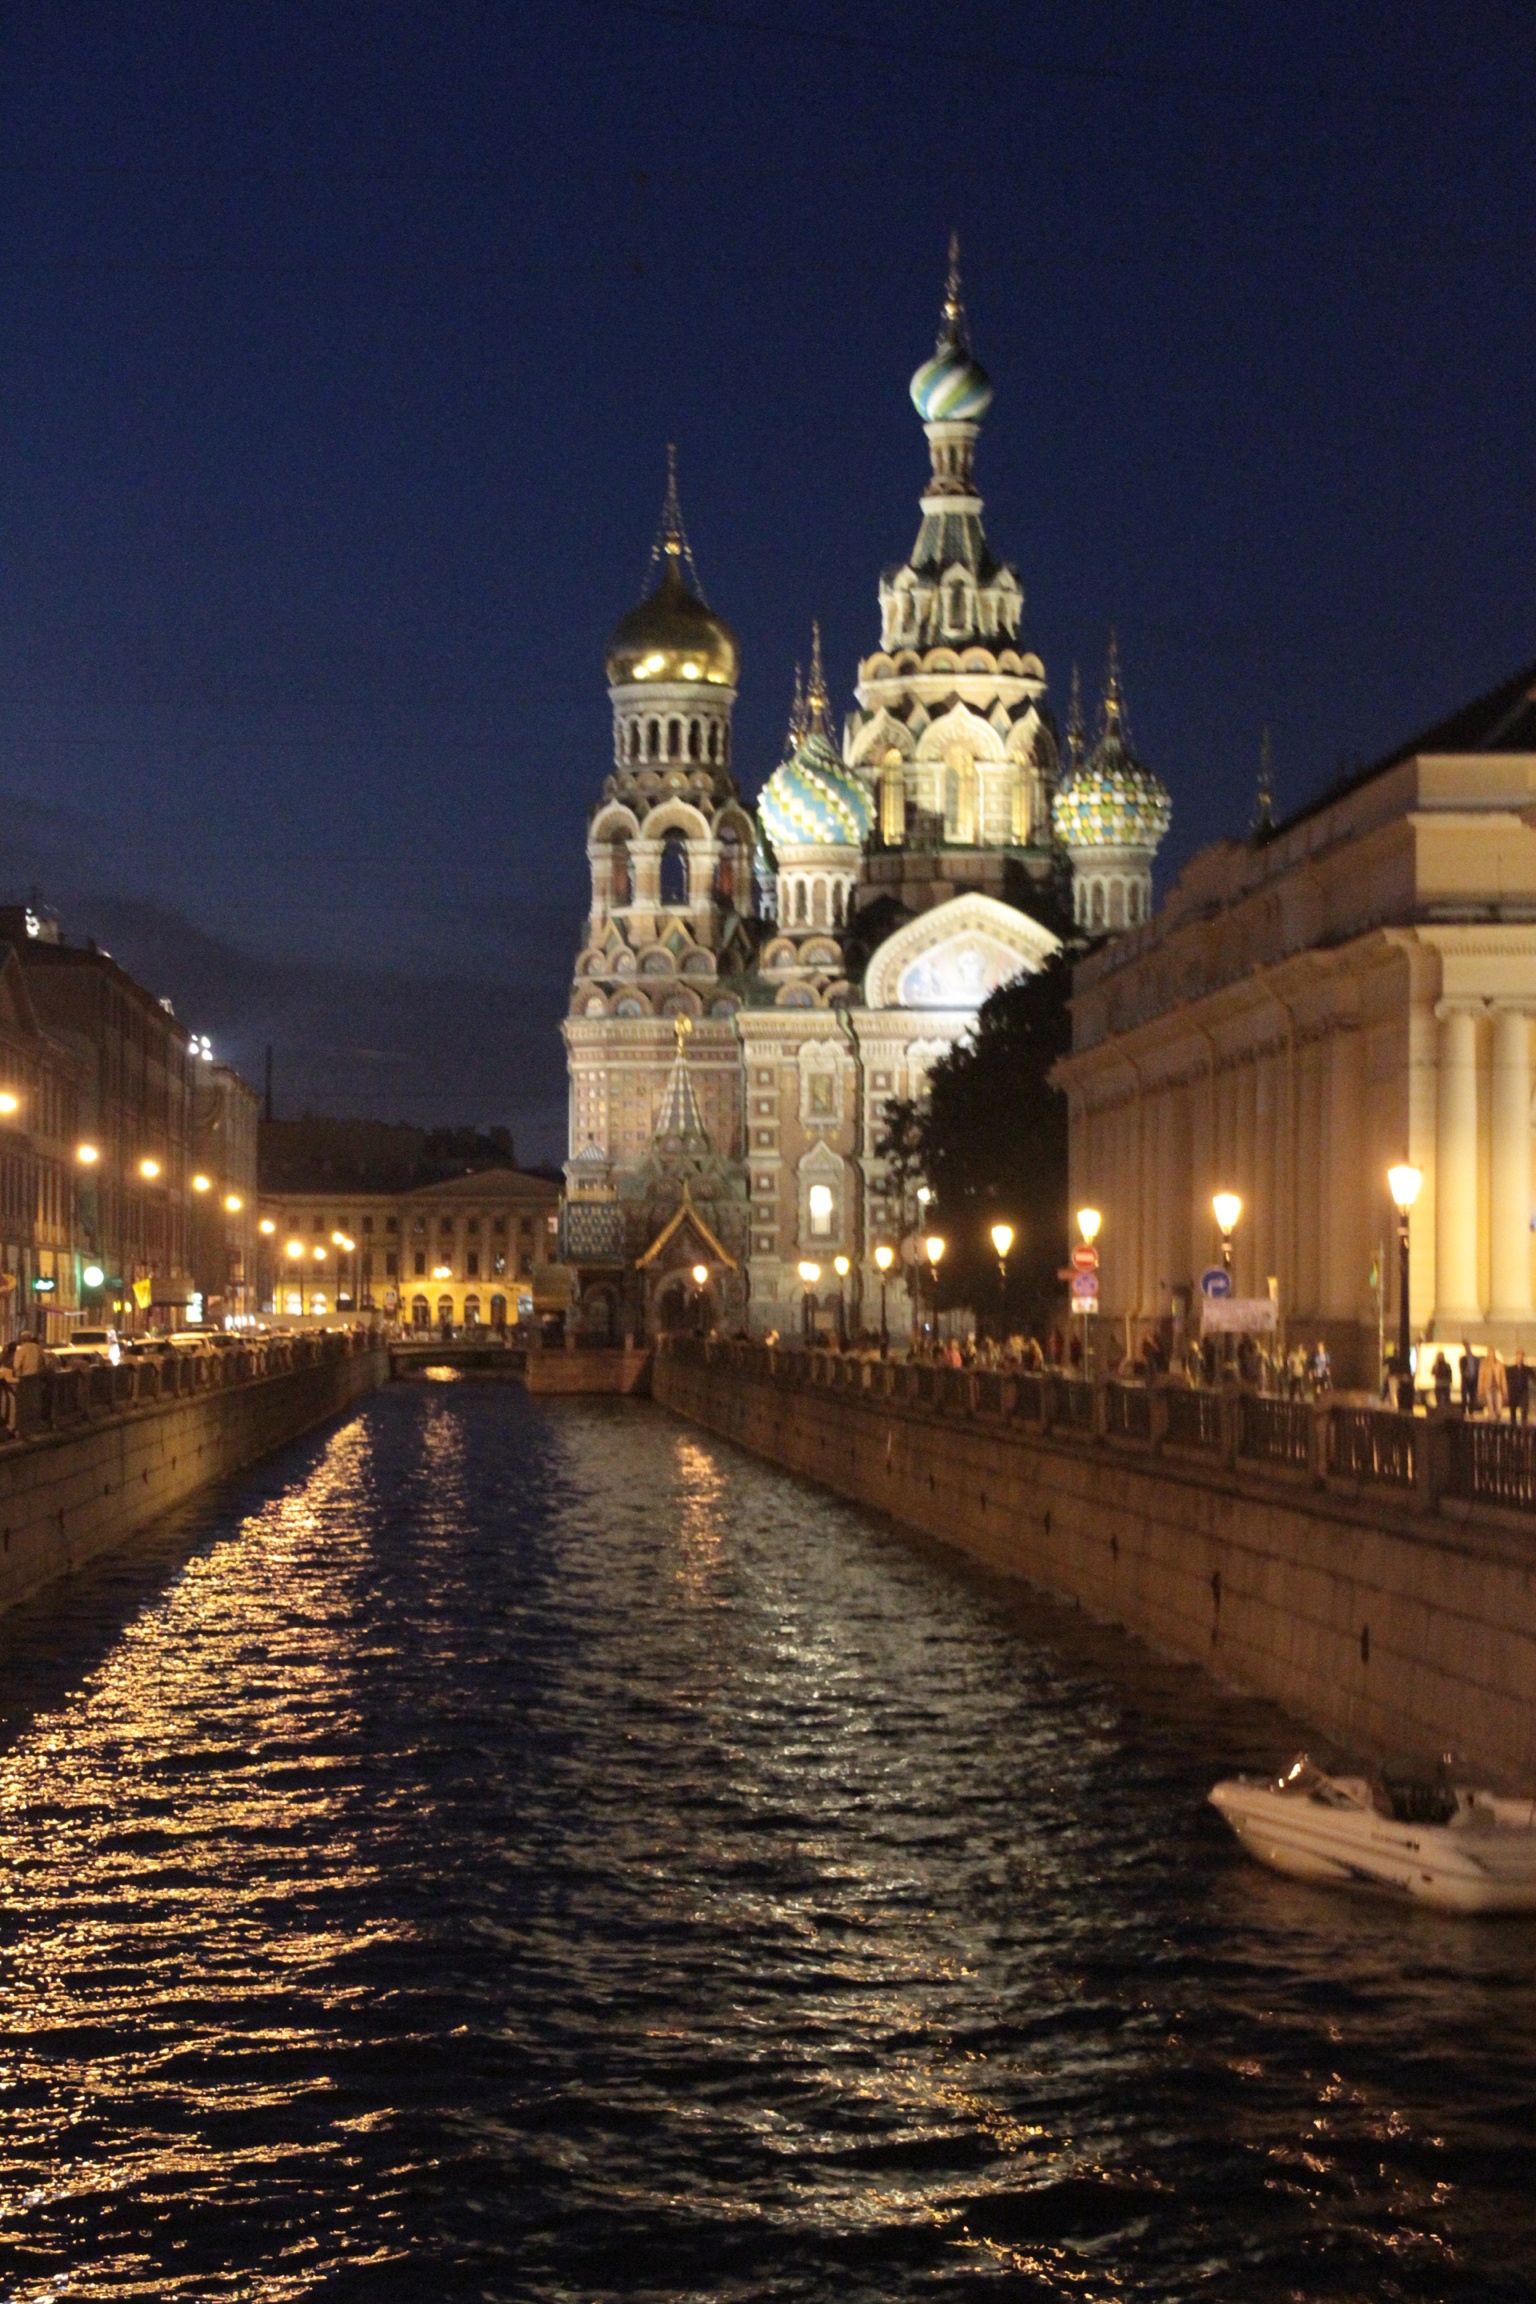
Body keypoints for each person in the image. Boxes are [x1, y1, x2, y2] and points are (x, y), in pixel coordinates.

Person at [1480, 1347, 1508, 1422]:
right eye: (1490, 1353)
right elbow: (1481, 1378)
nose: (1491, 1355)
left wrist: (1504, 1389)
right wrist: (1480, 1389)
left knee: (1498, 1404)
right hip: (1488, 1387)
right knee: (1490, 1403)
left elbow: (1503, 1378)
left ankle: (1497, 1416)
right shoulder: (1484, 1365)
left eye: (1492, 1353)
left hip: (1497, 1387)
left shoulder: (1499, 1364)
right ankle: (1492, 1417)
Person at [1459, 1339, 1480, 1414]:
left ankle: (1471, 1411)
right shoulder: (1462, 1359)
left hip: (1473, 1380)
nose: (1467, 1349)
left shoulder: (1476, 1359)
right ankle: (1463, 1412)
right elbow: (1461, 1369)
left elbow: (1477, 1369)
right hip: (1466, 1380)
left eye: (1468, 1348)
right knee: (1464, 1397)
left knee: (1472, 1397)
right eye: (1466, 1348)